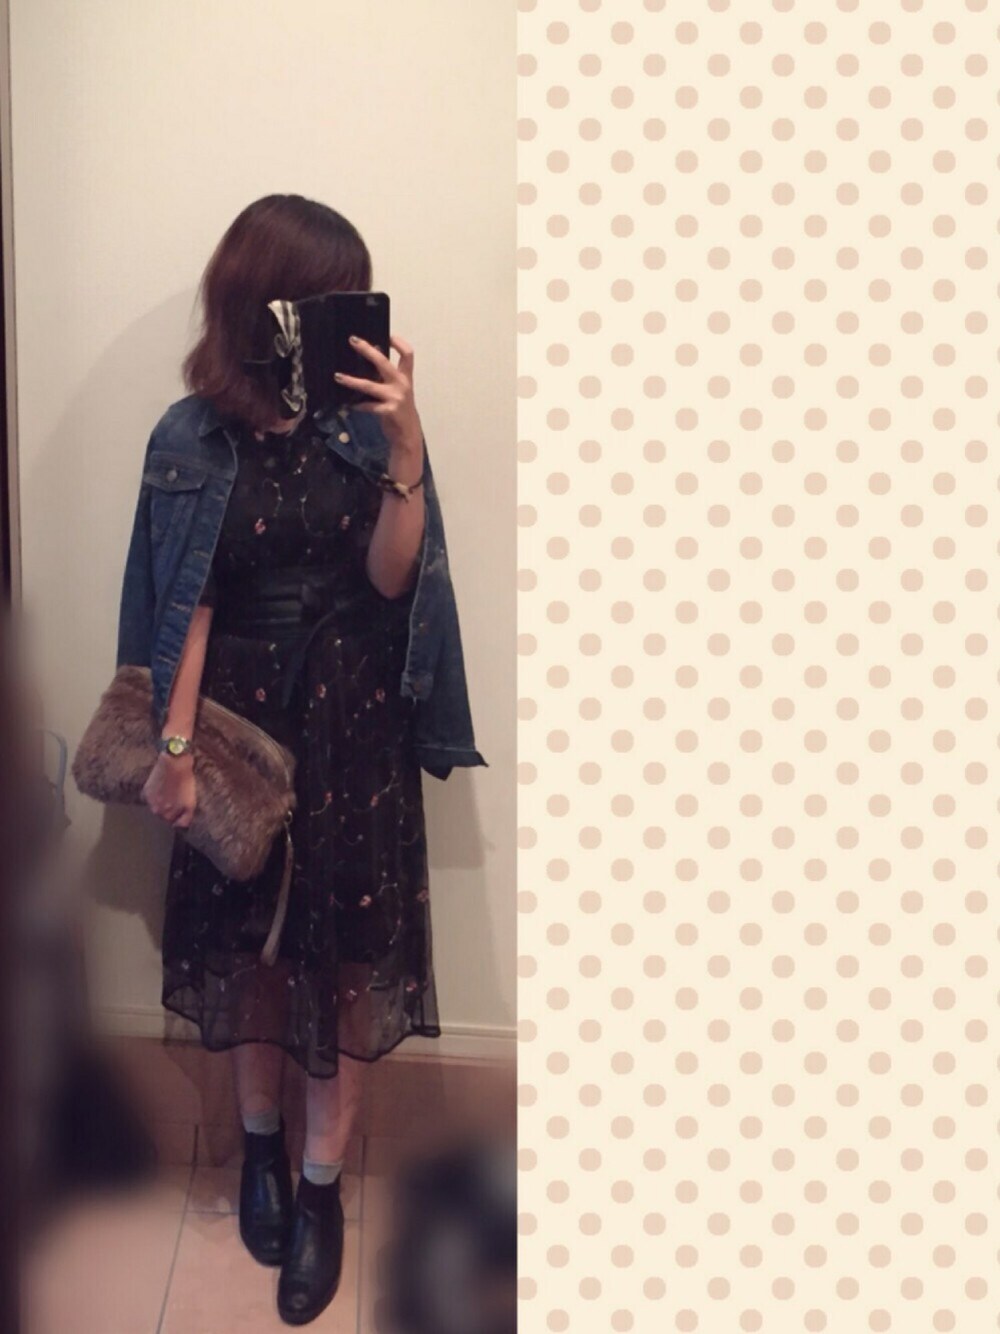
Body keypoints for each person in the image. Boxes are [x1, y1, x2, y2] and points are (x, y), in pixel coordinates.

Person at [114, 194, 487, 1325]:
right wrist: (174, 749)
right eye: (320, 298)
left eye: (350, 299)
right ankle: (262, 1152)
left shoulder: (370, 429)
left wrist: (407, 452)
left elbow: (390, 580)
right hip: (240, 733)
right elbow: (187, 605)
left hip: (355, 730)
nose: (336, 320)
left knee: (346, 964)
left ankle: (321, 1188)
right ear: (258, 303)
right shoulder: (189, 437)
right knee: (252, 955)